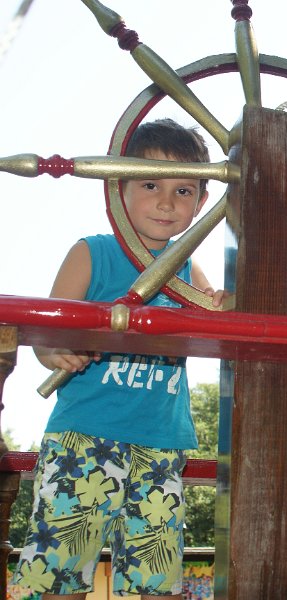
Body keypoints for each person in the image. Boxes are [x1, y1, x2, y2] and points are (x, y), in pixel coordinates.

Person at [14, 118, 227, 599]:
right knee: (59, 571)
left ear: (202, 203)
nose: (167, 202)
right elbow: (47, 333)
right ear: (118, 189)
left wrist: (226, 302)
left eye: (184, 191)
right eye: (151, 185)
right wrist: (54, 351)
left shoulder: (189, 269)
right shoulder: (92, 254)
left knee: (155, 578)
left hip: (161, 444)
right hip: (84, 435)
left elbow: (215, 318)